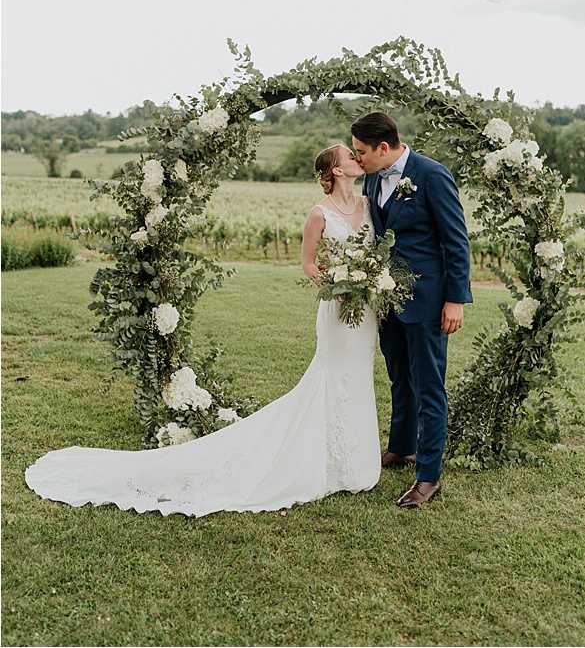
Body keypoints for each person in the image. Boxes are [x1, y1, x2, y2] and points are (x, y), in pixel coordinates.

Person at [24, 143, 381, 518]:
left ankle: (353, 463)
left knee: (357, 377)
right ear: (336, 171)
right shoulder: (318, 214)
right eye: (350, 157)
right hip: (337, 308)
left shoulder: (368, 207)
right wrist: (335, 286)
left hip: (365, 311)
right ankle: (327, 463)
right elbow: (308, 265)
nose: (358, 159)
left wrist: (369, 283)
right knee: (331, 376)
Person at [351, 112, 472, 509]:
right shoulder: (373, 176)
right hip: (388, 300)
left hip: (427, 300)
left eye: (361, 152)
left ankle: (428, 476)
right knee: (398, 376)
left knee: (428, 385)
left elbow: (456, 241)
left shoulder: (432, 175)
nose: (358, 160)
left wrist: (455, 299)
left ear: (383, 148)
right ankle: (401, 448)